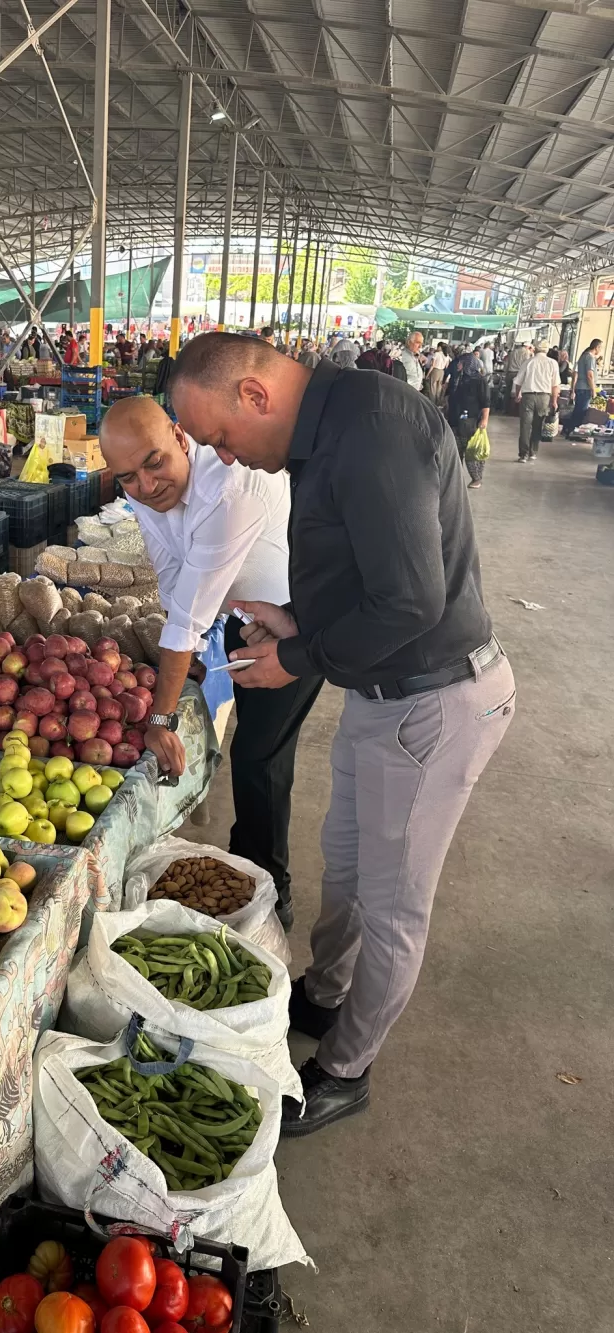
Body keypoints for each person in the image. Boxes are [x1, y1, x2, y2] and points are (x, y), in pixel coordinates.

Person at [169, 333, 515, 1135]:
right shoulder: (330, 432)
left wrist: (298, 656)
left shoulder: (372, 429)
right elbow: (370, 579)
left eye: (221, 436)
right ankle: (324, 995)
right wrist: (298, 621)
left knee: (394, 905)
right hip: (382, 693)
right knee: (350, 864)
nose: (229, 456)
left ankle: (345, 1068)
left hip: (435, 701)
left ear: (255, 395)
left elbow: (410, 603)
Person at [99, 396, 322, 929]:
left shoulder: (227, 487)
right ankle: (248, 866)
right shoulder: (147, 498)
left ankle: (272, 889)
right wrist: (192, 657)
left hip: (294, 619)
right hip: (244, 614)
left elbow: (189, 616)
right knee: (252, 753)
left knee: (260, 758)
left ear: (180, 437)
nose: (147, 486)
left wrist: (160, 716)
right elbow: (176, 581)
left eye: (154, 462)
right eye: (128, 478)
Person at [445, 352, 491, 488]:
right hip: (454, 419)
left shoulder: (479, 380)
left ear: (467, 364)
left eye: (461, 362)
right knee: (454, 451)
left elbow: (485, 402)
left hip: (470, 420)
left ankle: (476, 478)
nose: (458, 365)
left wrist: (484, 420)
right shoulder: (457, 379)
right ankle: (455, 480)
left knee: (471, 451)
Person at [512, 341, 560, 463]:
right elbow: (555, 385)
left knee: (525, 426)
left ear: (535, 350)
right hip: (544, 397)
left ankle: (523, 455)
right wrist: (554, 401)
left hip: (528, 396)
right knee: (538, 425)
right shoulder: (552, 363)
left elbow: (518, 381)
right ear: (547, 350)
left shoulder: (528, 362)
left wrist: (518, 394)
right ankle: (533, 452)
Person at [563, 337, 601, 438]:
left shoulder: (584, 356)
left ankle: (568, 430)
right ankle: (573, 432)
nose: (600, 350)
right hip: (585, 389)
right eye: (600, 348)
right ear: (597, 347)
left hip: (581, 388)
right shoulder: (589, 357)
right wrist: (593, 390)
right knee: (581, 412)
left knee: (577, 411)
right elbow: (590, 375)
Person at [426, 341, 450, 405]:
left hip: (435, 371)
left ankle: (432, 403)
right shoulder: (447, 355)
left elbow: (432, 365)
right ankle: (438, 402)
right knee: (439, 388)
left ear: (440, 347)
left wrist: (427, 375)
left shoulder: (436, 354)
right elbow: (447, 366)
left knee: (432, 387)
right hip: (442, 372)